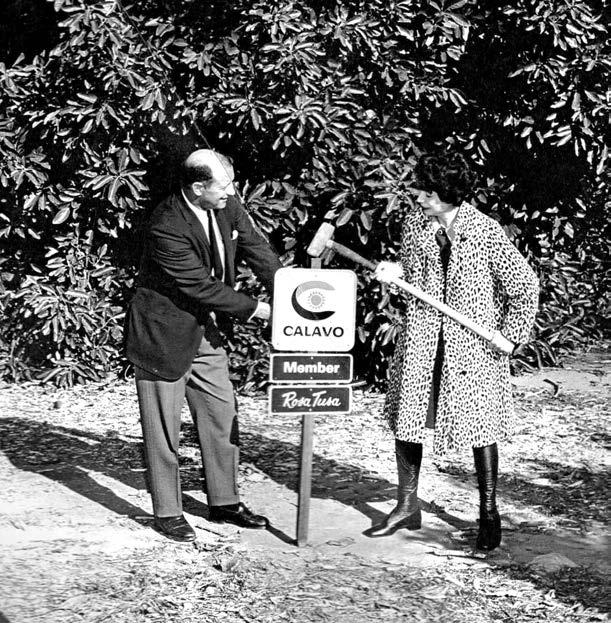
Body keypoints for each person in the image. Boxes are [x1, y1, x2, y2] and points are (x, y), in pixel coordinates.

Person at [369, 148, 539, 551]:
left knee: (482, 425)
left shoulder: (485, 231)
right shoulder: (415, 225)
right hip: (423, 340)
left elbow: (525, 286)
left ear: (447, 194)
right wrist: (394, 273)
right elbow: (411, 281)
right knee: (409, 417)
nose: (419, 199)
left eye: (427, 194)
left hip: (472, 346)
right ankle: (407, 505)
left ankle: (489, 514)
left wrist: (510, 336)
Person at [125, 149, 282, 542]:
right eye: (223, 186)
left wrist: (291, 293)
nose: (232, 192)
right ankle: (168, 511)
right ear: (198, 187)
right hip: (163, 335)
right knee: (163, 428)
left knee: (221, 412)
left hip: (205, 330)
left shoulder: (225, 203)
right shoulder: (166, 225)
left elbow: (257, 249)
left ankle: (224, 501)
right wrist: (263, 311)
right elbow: (200, 286)